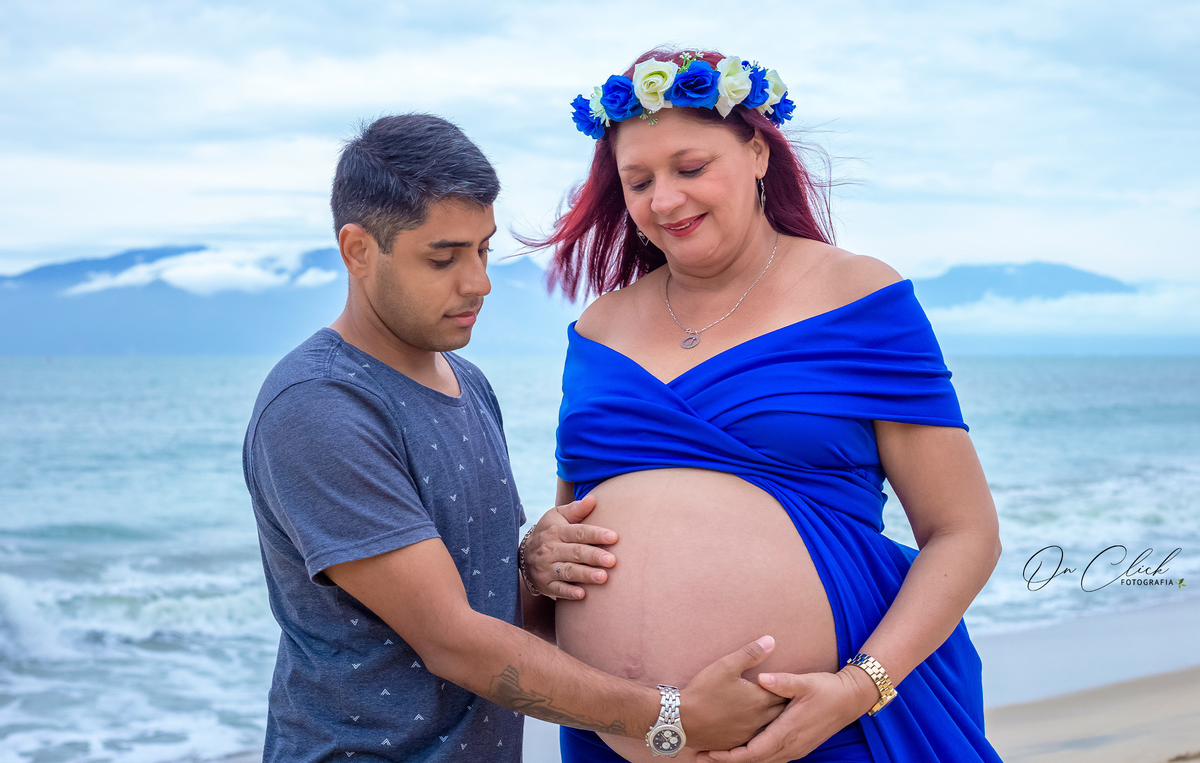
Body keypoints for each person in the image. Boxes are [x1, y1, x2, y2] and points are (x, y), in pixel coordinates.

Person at [241, 113, 786, 763]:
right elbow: (453, 641)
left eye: (482, 249)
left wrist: (536, 566)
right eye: (442, 258)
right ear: (359, 250)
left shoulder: (467, 382)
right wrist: (674, 718)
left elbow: (493, 609)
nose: (478, 282)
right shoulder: (320, 405)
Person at [519, 50, 1005, 762]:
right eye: (639, 181)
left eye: (691, 167)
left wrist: (859, 686)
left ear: (756, 153)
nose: (665, 201)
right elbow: (571, 527)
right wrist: (534, 560)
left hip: (832, 726)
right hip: (623, 739)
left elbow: (964, 532)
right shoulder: (598, 330)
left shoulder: (857, 298)